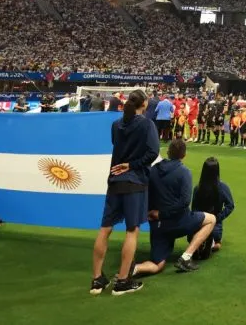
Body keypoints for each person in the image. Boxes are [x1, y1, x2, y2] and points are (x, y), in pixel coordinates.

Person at [90, 90, 159, 296]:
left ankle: (96, 280)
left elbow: (117, 145)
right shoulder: (147, 124)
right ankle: (122, 281)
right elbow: (152, 153)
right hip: (134, 182)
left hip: (114, 181)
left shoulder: (116, 124)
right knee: (132, 230)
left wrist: (126, 164)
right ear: (145, 104)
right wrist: (132, 165)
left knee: (105, 229)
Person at [132, 139, 216, 278]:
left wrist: (150, 213)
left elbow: (144, 192)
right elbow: (184, 202)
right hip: (179, 221)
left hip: (158, 226)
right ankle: (186, 257)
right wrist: (162, 214)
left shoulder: (153, 170)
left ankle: (134, 268)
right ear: (184, 155)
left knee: (157, 264)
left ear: (168, 152)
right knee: (211, 219)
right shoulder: (184, 172)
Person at [190, 157, 234, 258]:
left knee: (197, 233)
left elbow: (194, 209)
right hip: (215, 223)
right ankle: (213, 242)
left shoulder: (198, 188)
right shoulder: (222, 187)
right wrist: (219, 217)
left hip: (200, 221)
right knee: (218, 241)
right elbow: (230, 205)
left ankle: (198, 242)